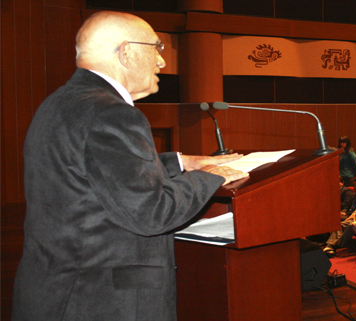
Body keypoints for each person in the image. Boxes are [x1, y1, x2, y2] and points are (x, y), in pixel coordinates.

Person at [12, 11, 250, 321]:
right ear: (127, 51)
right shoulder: (111, 113)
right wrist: (210, 177)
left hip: (57, 288)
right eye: (156, 48)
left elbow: (91, 172)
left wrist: (181, 163)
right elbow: (151, 212)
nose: (162, 62)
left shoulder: (59, 103)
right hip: (102, 299)